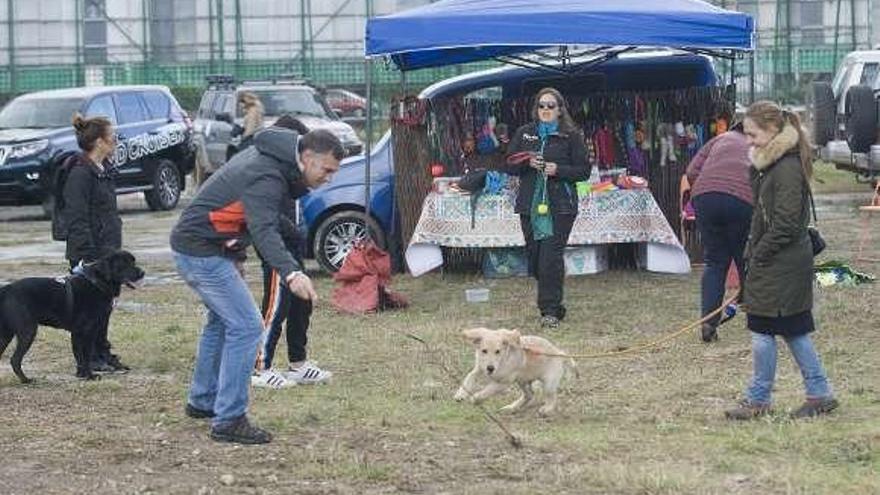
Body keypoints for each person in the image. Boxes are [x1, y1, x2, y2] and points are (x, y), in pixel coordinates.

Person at [170, 127, 343, 443]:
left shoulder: (274, 161)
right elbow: (262, 228)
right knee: (248, 326)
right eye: (327, 170)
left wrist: (237, 250)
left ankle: (203, 400)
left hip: (207, 245)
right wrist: (292, 273)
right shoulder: (267, 174)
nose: (328, 178)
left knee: (222, 323)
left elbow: (247, 213)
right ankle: (229, 419)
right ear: (306, 158)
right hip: (199, 249)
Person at [725, 101, 839, 420]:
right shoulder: (770, 165)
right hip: (778, 260)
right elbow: (765, 218)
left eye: (752, 134)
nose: (748, 141)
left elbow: (786, 224)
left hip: (782, 262)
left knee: (765, 329)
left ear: (773, 130)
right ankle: (819, 393)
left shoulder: (785, 167)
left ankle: (759, 399)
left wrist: (758, 253)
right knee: (791, 329)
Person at [251, 114, 332, 388]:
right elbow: (268, 214)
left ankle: (298, 363)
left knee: (301, 304)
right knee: (277, 305)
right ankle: (260, 367)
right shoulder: (269, 171)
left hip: (294, 245)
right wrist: (293, 231)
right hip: (277, 247)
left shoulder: (293, 172)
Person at [506, 88, 589, 328]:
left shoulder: (571, 136)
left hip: (560, 206)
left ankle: (549, 310)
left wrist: (558, 170)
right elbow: (510, 163)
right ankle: (555, 303)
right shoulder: (525, 133)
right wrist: (527, 162)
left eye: (551, 106)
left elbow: (583, 170)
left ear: (560, 109)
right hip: (529, 205)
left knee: (549, 258)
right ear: (536, 108)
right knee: (535, 258)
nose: (546, 110)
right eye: (542, 105)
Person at [63, 112, 129, 373]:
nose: (115, 140)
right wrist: (86, 256)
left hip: (108, 252)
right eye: (111, 136)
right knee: (87, 312)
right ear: (99, 142)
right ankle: (88, 358)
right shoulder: (80, 173)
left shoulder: (104, 170)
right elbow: (76, 218)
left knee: (104, 309)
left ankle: (102, 352)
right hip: (90, 255)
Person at [685, 123, 752, 342]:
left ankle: (708, 324)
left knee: (715, 262)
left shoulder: (720, 139)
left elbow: (692, 171)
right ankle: (757, 319)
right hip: (741, 199)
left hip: (705, 196)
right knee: (746, 258)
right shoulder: (758, 142)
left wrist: (708, 188)